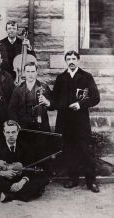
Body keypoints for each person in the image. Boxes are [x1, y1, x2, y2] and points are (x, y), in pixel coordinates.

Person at [51, 50, 100, 193]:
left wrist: (80, 105)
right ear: (65, 61)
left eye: (74, 58)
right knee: (69, 150)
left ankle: (91, 181)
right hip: (66, 121)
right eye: (69, 59)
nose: (71, 61)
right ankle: (73, 179)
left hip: (81, 121)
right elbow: (55, 98)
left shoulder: (86, 77)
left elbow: (95, 98)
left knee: (86, 151)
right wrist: (50, 103)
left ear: (78, 60)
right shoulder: (61, 78)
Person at [0, 120, 49, 202]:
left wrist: (22, 182)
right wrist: (3, 173)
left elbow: (29, 167)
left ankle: (9, 195)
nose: (11, 135)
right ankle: (25, 194)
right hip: (5, 179)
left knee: (44, 178)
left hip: (21, 178)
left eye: (13, 132)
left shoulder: (25, 147)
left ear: (17, 132)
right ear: (4, 133)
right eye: (8, 132)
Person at [8, 62, 55, 166]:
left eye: (32, 71)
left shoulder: (44, 87)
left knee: (41, 149)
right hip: (24, 126)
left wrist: (47, 102)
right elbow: (12, 109)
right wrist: (16, 124)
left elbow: (53, 105)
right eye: (28, 71)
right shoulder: (18, 89)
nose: (30, 74)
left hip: (41, 125)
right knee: (26, 151)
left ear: (36, 72)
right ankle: (27, 174)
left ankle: (41, 173)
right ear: (24, 73)